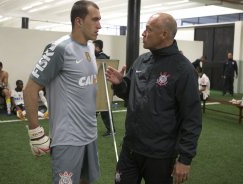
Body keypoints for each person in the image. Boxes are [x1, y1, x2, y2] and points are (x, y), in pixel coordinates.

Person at [106, 13, 202, 184]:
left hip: (161, 156)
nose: (143, 33)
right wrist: (120, 84)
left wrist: (185, 159)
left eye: (148, 30)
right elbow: (129, 94)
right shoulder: (141, 61)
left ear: (164, 34)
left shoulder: (183, 69)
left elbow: (192, 117)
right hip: (131, 149)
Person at [23, 1, 101, 184]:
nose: (100, 25)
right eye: (95, 19)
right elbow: (30, 90)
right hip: (68, 138)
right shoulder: (59, 48)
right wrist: (36, 133)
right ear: (79, 21)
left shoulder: (90, 47)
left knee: (85, 181)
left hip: (90, 134)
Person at [93, 39, 115, 136]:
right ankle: (110, 130)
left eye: (92, 47)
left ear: (97, 48)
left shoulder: (101, 58)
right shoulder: (100, 57)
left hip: (103, 89)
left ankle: (111, 130)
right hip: (101, 89)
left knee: (104, 110)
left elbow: (96, 72)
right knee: (98, 110)